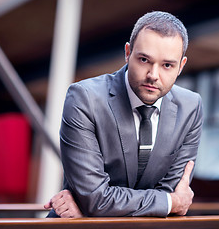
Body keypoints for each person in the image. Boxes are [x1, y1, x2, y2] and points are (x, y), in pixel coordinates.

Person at [44, 11, 203, 218]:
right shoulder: (84, 98)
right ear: (128, 53)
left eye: (167, 65)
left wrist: (92, 209)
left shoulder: (191, 106)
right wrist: (170, 202)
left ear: (180, 66)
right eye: (144, 59)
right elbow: (95, 199)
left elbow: (95, 204)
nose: (153, 75)